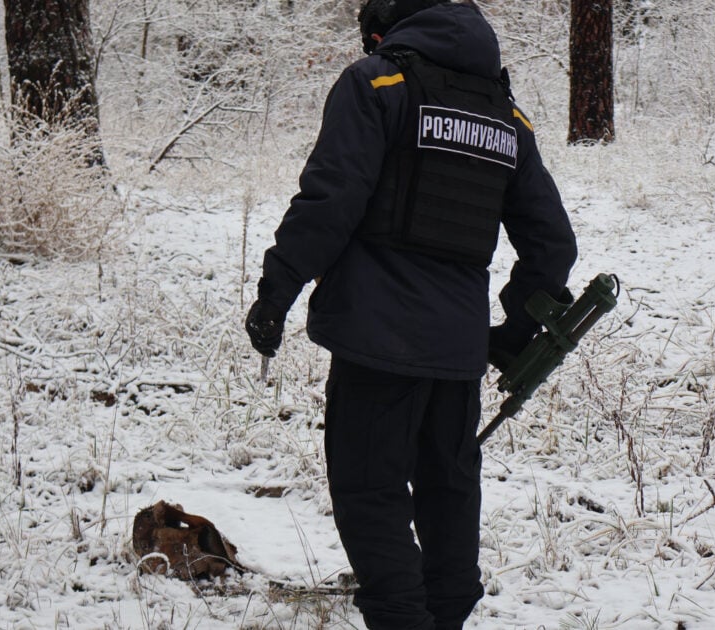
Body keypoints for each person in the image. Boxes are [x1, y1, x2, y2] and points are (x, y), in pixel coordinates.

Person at [244, 1, 577, 627]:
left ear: (385, 32)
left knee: (369, 493)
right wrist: (515, 330)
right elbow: (552, 242)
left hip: (375, 340)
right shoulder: (505, 116)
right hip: (456, 352)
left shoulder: (375, 84)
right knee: (448, 489)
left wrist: (275, 292)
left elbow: (330, 201)